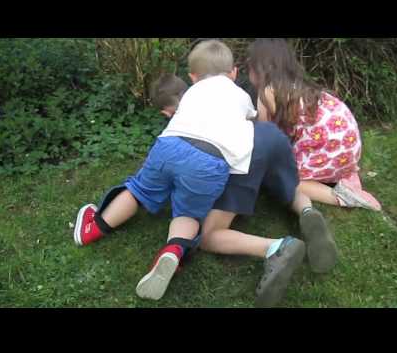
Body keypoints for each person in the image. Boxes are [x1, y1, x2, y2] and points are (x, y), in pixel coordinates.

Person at [73, 40, 258, 301]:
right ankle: (171, 251)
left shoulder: (194, 91)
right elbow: (251, 118)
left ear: (193, 77)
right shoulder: (242, 96)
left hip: (170, 145)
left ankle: (94, 228)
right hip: (212, 162)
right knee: (188, 213)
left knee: (138, 190)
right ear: (234, 72)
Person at [151, 73, 337, 308]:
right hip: (269, 136)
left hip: (244, 157)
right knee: (284, 185)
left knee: (208, 236)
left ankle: (275, 248)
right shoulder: (220, 95)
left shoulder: (181, 127)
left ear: (167, 113)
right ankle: (307, 211)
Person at [247, 38, 382, 211]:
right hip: (348, 145)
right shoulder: (298, 85)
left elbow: (265, 138)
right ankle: (341, 173)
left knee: (289, 180)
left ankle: (344, 197)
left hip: (328, 147)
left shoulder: (266, 91)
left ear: (257, 68)